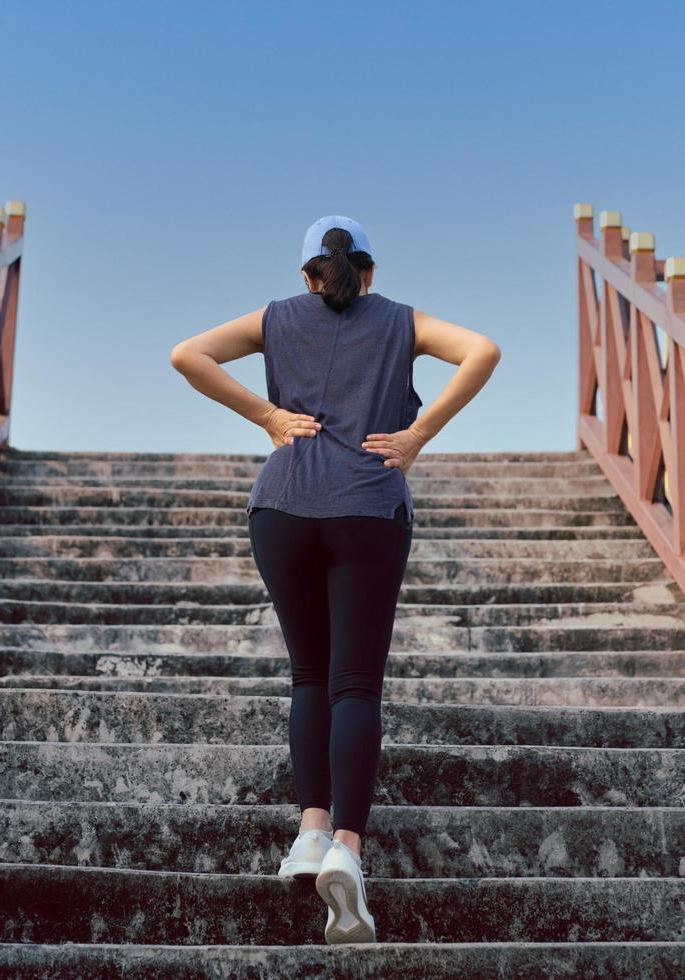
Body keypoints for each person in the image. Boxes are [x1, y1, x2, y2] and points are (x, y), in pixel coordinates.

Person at [169, 214, 501, 944]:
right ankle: (348, 847)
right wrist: (419, 434)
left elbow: (185, 354)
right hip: (368, 506)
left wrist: (266, 415)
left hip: (282, 505)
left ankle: (310, 833)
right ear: (370, 270)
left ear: (307, 273)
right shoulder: (400, 320)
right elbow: (484, 349)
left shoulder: (276, 317)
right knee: (356, 683)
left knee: (308, 676)